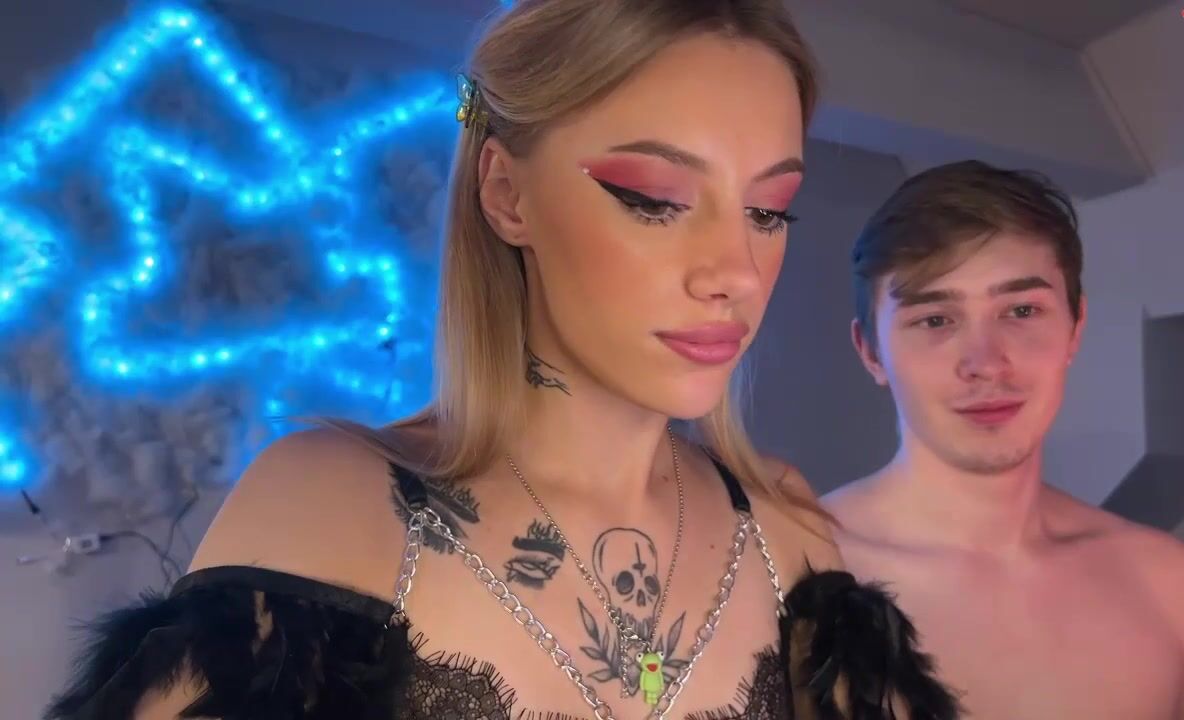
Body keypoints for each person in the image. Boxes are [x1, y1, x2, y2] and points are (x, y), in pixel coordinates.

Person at [45, 2, 955, 719]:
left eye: (768, 211)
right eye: (657, 200)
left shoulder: (787, 531)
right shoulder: (335, 506)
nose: (736, 273)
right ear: (507, 193)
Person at [825, 159, 1184, 719]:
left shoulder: (1168, 582)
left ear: (1075, 328)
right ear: (871, 352)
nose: (986, 363)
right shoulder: (795, 571)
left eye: (1022, 310)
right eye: (935, 320)